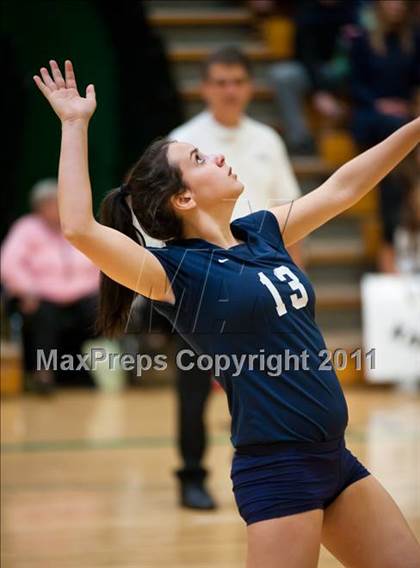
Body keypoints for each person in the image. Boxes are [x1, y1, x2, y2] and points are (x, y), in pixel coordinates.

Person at [33, 60, 420, 568]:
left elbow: (341, 189)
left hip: (334, 456)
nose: (217, 155)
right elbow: (79, 228)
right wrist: (74, 125)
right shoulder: (174, 273)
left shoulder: (263, 231)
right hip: (280, 469)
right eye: (199, 157)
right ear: (185, 196)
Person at [168, 46, 302, 510]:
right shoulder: (184, 141)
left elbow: (289, 215)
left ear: (249, 86)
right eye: (220, 81)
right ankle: (191, 475)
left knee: (265, 382)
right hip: (205, 285)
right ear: (205, 87)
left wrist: (294, 275)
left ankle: (268, 466)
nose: (229, 90)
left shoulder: (267, 139)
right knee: (192, 386)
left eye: (238, 81)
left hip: (261, 284)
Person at [1, 179, 99, 393]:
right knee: (44, 316)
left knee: (101, 310)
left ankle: (75, 368)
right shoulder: (26, 228)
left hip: (81, 295)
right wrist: (26, 289)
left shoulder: (76, 226)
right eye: (50, 203)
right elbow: (9, 264)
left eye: (59, 202)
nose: (56, 208)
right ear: (39, 207)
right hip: (39, 296)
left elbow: (97, 262)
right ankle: (43, 371)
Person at [349, 0, 420, 272]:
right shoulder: (362, 38)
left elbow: (415, 82)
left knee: (400, 130)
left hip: (406, 116)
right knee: (391, 181)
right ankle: (389, 246)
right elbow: (355, 84)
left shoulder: (413, 39)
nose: (395, 6)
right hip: (372, 117)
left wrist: (410, 106)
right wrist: (379, 104)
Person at [269, 0, 360, 155]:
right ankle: (300, 139)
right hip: (312, 71)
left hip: (349, 73)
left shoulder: (357, 11)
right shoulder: (306, 11)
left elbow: (363, 57)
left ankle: (353, 133)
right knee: (282, 75)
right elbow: (306, 56)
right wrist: (320, 90)